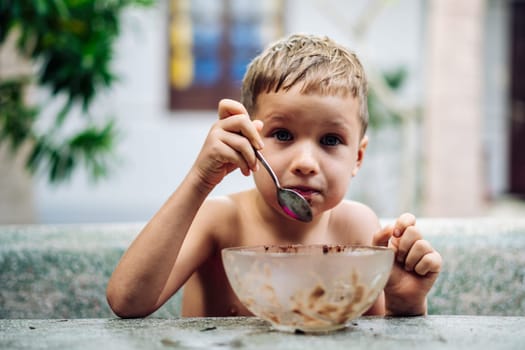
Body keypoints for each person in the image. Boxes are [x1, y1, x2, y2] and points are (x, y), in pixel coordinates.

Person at [106, 33, 442, 318]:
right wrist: (199, 180)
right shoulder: (221, 222)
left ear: (357, 157)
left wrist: (404, 303)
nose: (306, 162)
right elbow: (127, 302)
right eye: (282, 135)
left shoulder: (358, 229)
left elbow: (374, 339)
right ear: (248, 138)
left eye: (330, 140)